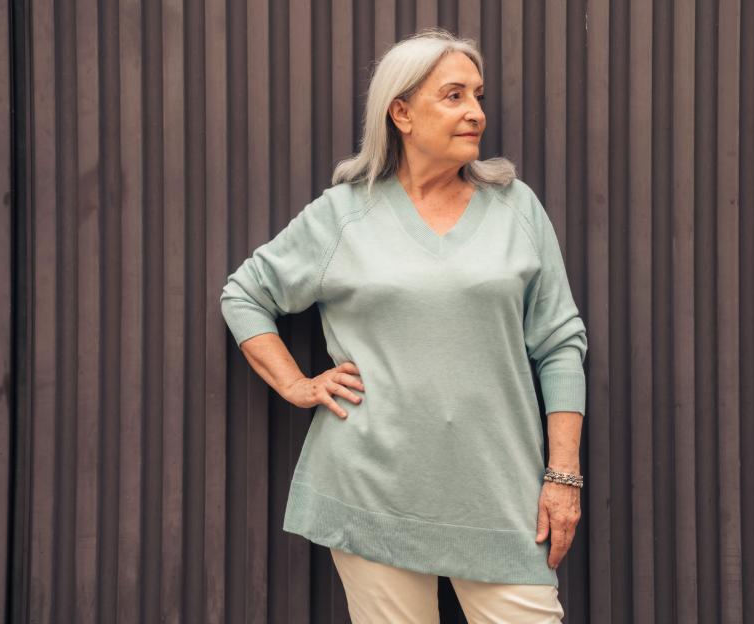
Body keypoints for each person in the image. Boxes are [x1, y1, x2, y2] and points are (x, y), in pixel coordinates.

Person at [220, 27, 587, 623]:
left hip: (499, 494)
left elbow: (561, 344)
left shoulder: (516, 208)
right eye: (454, 96)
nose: (476, 113)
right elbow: (246, 293)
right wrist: (297, 383)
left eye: (479, 95)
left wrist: (563, 477)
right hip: (371, 487)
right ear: (401, 113)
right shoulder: (344, 214)